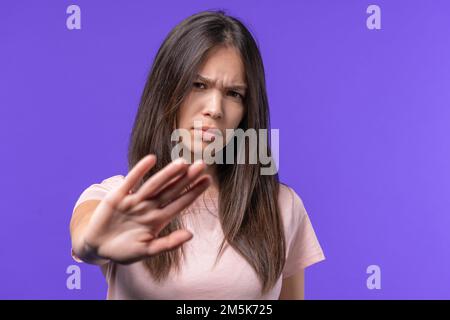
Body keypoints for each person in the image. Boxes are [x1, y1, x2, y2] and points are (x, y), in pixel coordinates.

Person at [70, 10, 325, 300]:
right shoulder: (116, 199)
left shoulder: (282, 207)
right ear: (167, 91)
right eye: (199, 85)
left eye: (234, 94)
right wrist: (93, 244)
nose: (215, 108)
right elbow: (85, 236)